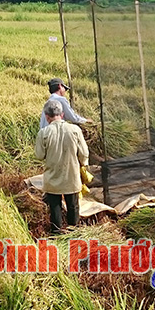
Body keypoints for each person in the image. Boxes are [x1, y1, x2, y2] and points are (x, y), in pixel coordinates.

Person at [35, 99, 90, 234]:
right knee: (73, 206)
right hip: (71, 176)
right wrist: (83, 165)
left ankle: (56, 233)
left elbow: (39, 155)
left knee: (55, 206)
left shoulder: (43, 133)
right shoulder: (75, 130)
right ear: (62, 114)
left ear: (47, 117)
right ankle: (74, 233)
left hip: (52, 177)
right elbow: (84, 153)